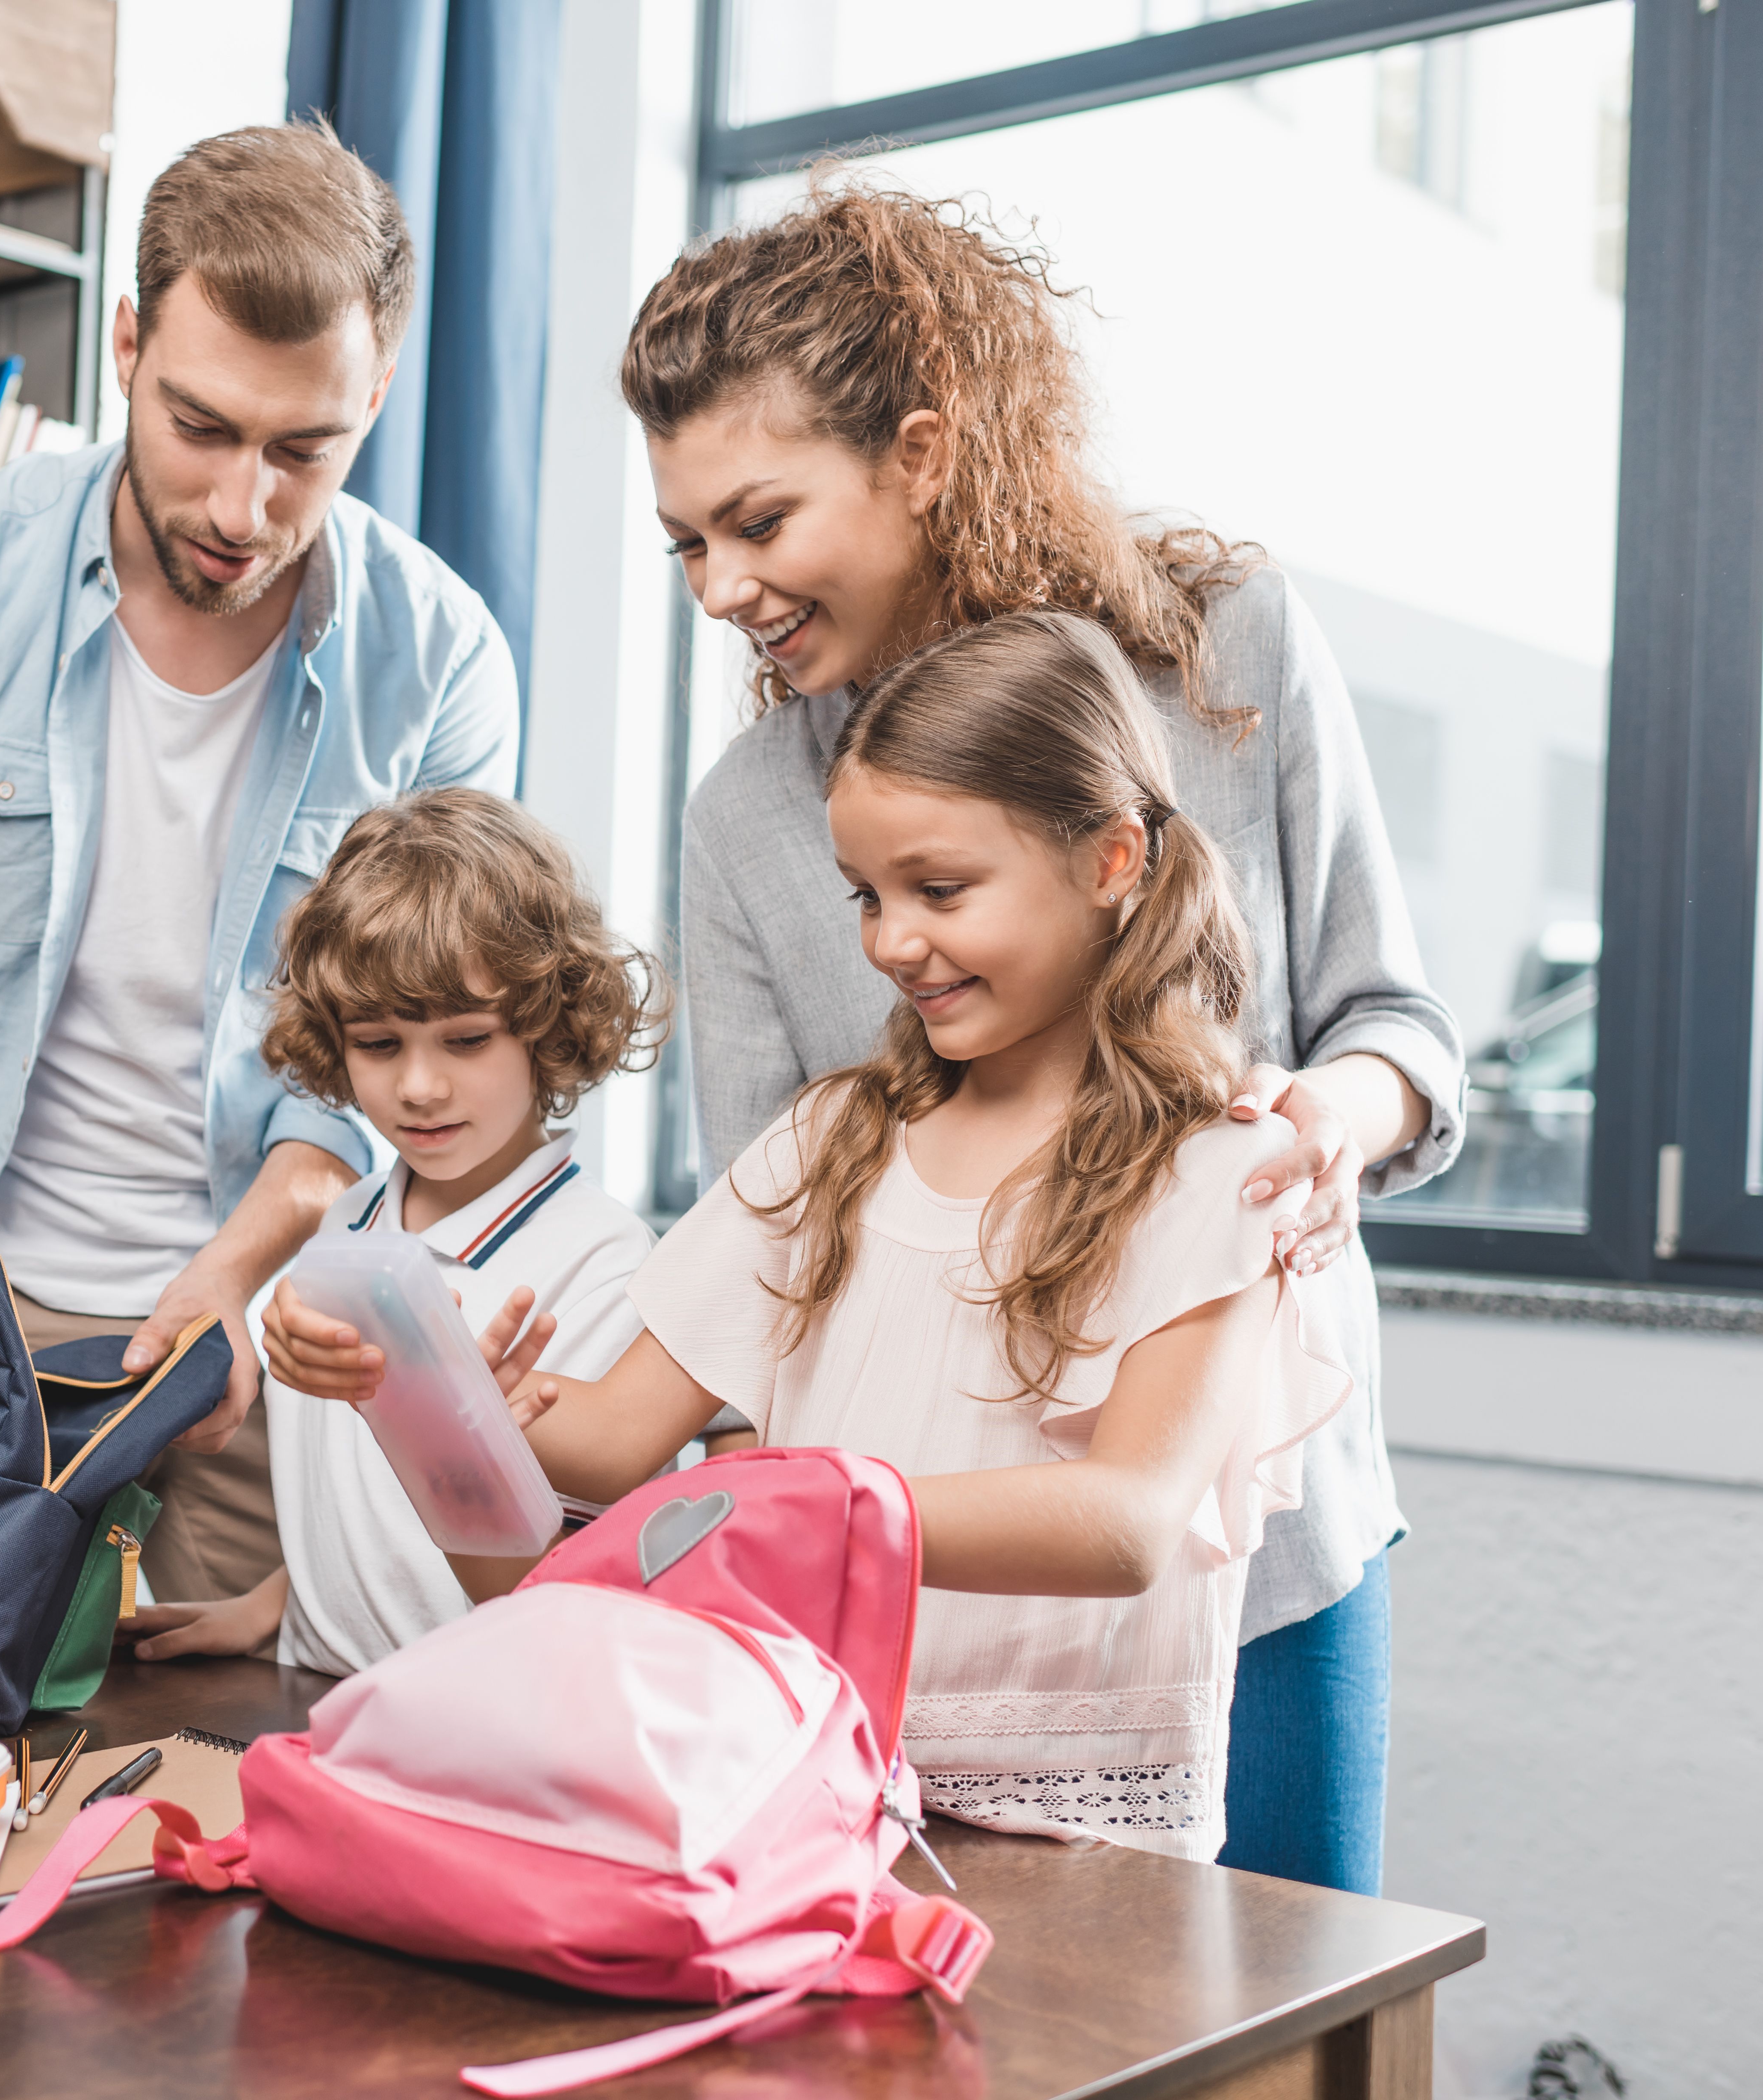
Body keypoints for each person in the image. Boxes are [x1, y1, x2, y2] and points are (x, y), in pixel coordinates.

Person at [622, 178, 1457, 1895]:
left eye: (758, 521)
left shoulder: (1222, 652)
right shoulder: (750, 818)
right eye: (688, 541)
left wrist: (1333, 1121)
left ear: (921, 453)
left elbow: (1395, 1024)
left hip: (1261, 1550)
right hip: (936, 1626)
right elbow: (770, 1260)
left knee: (1287, 2030)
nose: (721, 586)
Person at [0, 123, 521, 1611]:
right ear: (127, 346)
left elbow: (383, 1067)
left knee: (197, 1793)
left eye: (304, 450)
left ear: (374, 396)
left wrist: (240, 1278)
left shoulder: (441, 662)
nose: (242, 510)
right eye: (201, 427)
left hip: (252, 1319)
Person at [390, 611, 1350, 1865]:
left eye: (940, 891)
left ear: (1113, 859)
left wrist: (815, 1506)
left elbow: (1127, 1524)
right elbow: (619, 1441)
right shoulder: (832, 1140)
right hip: (807, 1797)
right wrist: (434, 1387)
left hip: (1073, 1850)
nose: (893, 942)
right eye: (868, 896)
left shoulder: (1222, 1171)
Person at [127, 787, 663, 1673]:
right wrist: (274, 1604)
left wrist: (440, 1399)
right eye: (378, 1044)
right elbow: (356, 1501)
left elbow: (562, 1579)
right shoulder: (348, 1219)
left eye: (465, 1040)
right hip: (307, 1687)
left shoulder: (604, 1261)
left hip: (474, 1720)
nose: (418, 1086)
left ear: (547, 1025)